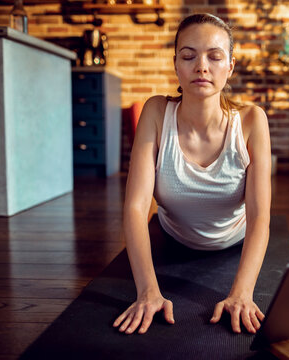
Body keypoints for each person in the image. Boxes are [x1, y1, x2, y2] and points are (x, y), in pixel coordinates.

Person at [112, 13, 271, 336]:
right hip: (173, 241)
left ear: (230, 66)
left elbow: (259, 216)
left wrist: (241, 293)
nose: (201, 66)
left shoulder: (252, 121)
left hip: (233, 243)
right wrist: (147, 292)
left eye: (215, 56)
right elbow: (135, 208)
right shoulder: (156, 112)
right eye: (188, 56)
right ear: (175, 64)